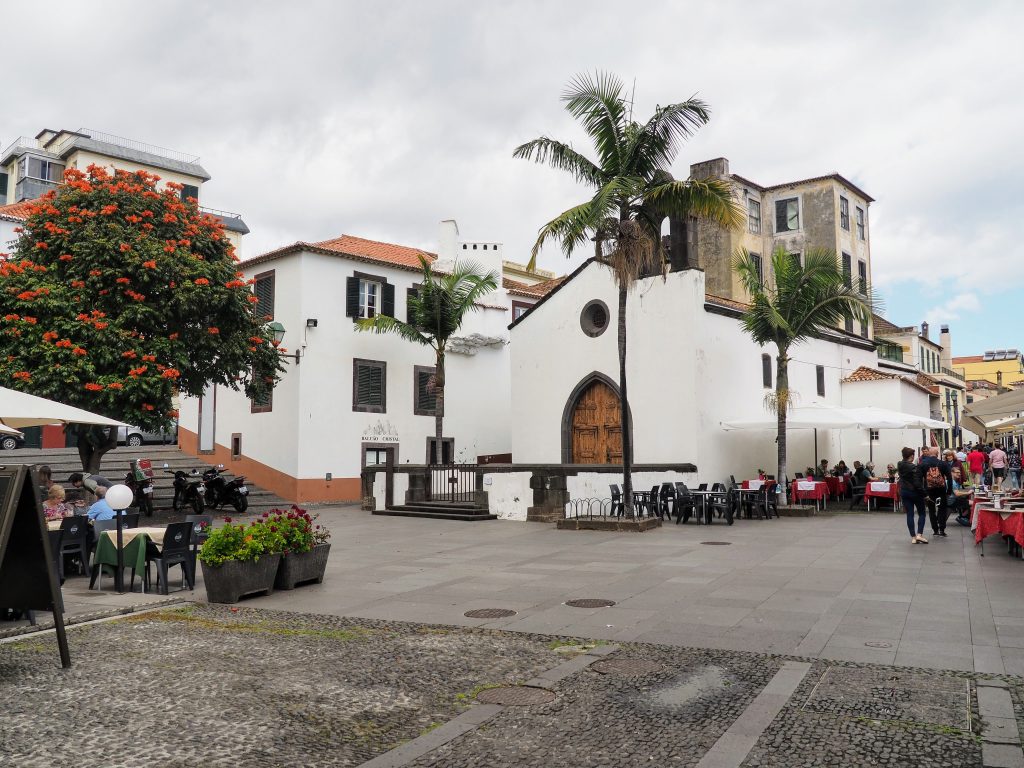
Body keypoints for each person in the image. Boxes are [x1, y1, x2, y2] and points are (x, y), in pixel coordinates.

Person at [898, 446, 928, 544]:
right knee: (922, 513)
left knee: (910, 514)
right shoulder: (914, 467)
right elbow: (917, 483)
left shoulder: (900, 464)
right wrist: (924, 494)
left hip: (904, 491)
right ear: (911, 456)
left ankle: (913, 537)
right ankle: (919, 534)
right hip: (915, 492)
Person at [920, 447, 952, 536]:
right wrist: (949, 491)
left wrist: (923, 492)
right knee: (942, 509)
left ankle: (935, 530)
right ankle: (942, 529)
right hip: (941, 490)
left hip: (929, 490)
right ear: (937, 454)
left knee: (931, 510)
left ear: (929, 454)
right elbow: (949, 478)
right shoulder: (943, 464)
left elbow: (919, 479)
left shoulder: (923, 463)